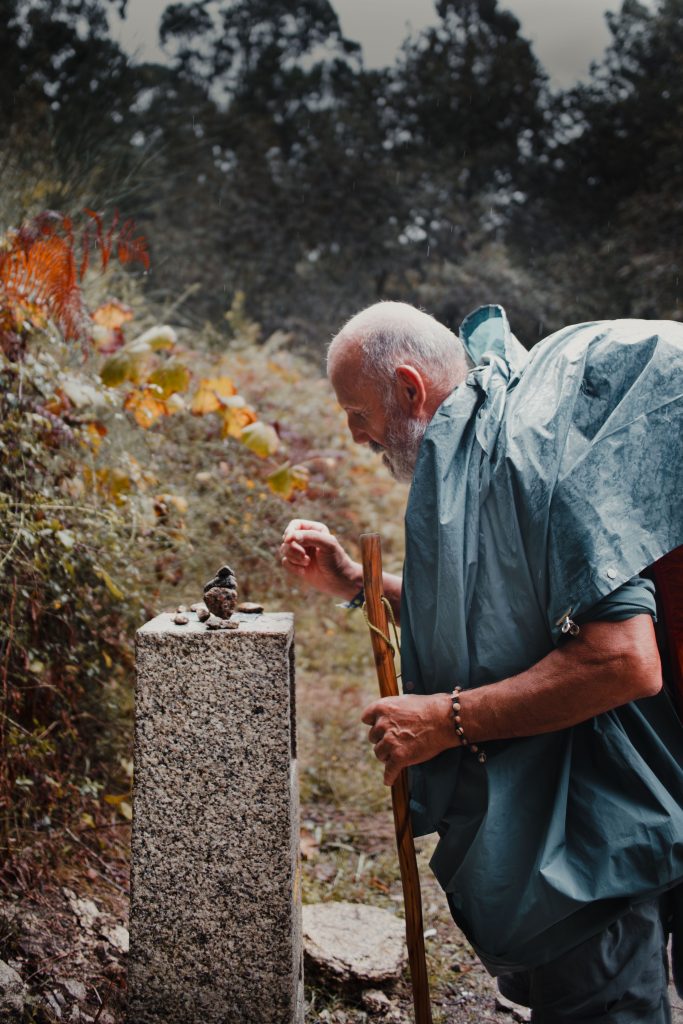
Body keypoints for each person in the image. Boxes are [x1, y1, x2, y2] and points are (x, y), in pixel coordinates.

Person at [280, 301, 683, 1023]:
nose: (353, 434)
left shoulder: (532, 449)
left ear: (409, 389)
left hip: (602, 833)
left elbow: (622, 659)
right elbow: (496, 618)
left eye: (357, 412)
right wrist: (355, 585)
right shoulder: (482, 450)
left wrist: (446, 718)